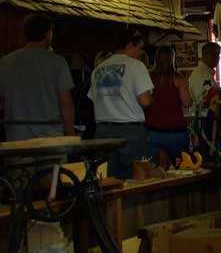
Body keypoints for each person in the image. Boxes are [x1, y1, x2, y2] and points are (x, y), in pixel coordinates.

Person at [89, 28, 153, 179]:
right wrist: (151, 98)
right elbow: (145, 101)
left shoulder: (98, 69)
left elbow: (94, 99)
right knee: (136, 179)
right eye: (139, 48)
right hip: (130, 132)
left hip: (102, 132)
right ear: (130, 45)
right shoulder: (136, 66)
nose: (140, 53)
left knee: (106, 180)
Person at [0, 13, 75, 141]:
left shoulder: (5, 62)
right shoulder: (57, 62)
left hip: (16, 139)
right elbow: (65, 103)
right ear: (48, 34)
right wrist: (70, 135)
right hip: (50, 139)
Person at [145, 46, 191, 166]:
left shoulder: (149, 77)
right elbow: (187, 103)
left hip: (153, 130)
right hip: (176, 130)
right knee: (180, 169)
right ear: (172, 58)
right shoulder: (178, 78)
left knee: (155, 171)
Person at [188, 42, 221, 159]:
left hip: (208, 119)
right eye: (215, 55)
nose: (217, 59)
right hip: (204, 120)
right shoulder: (201, 74)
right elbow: (204, 99)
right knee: (206, 156)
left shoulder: (206, 73)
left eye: (218, 55)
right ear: (206, 55)